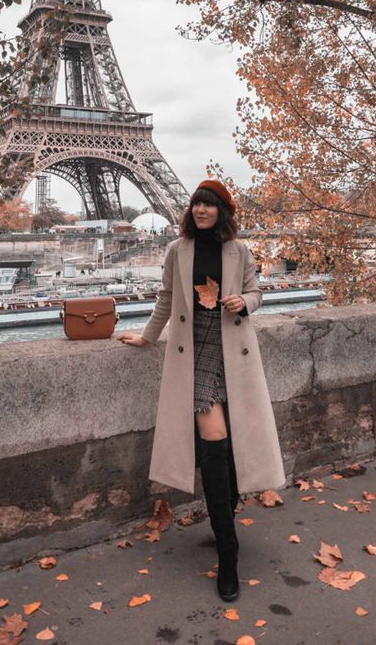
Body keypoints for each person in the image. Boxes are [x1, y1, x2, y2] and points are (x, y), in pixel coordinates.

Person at [117, 180, 285, 602]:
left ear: (222, 211)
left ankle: (225, 518)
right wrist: (148, 338)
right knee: (214, 441)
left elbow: (257, 292)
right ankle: (227, 550)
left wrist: (244, 302)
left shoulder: (239, 250)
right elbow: (166, 298)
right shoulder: (178, 250)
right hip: (195, 353)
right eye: (196, 204)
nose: (201, 211)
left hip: (234, 352)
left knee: (228, 444)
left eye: (209, 205)